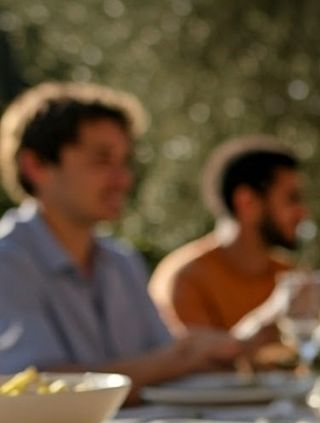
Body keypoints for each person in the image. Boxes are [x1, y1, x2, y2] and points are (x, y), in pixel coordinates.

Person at [0, 82, 240, 387]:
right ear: (35, 166)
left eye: (124, 161)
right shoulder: (7, 264)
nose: (123, 179)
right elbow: (34, 389)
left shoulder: (122, 262)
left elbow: (163, 361)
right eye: (102, 160)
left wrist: (208, 353)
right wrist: (182, 358)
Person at [149, 135, 307, 334]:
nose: (303, 212)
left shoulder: (288, 275)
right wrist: (274, 313)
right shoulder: (186, 278)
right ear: (247, 202)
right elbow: (194, 359)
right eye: (292, 199)